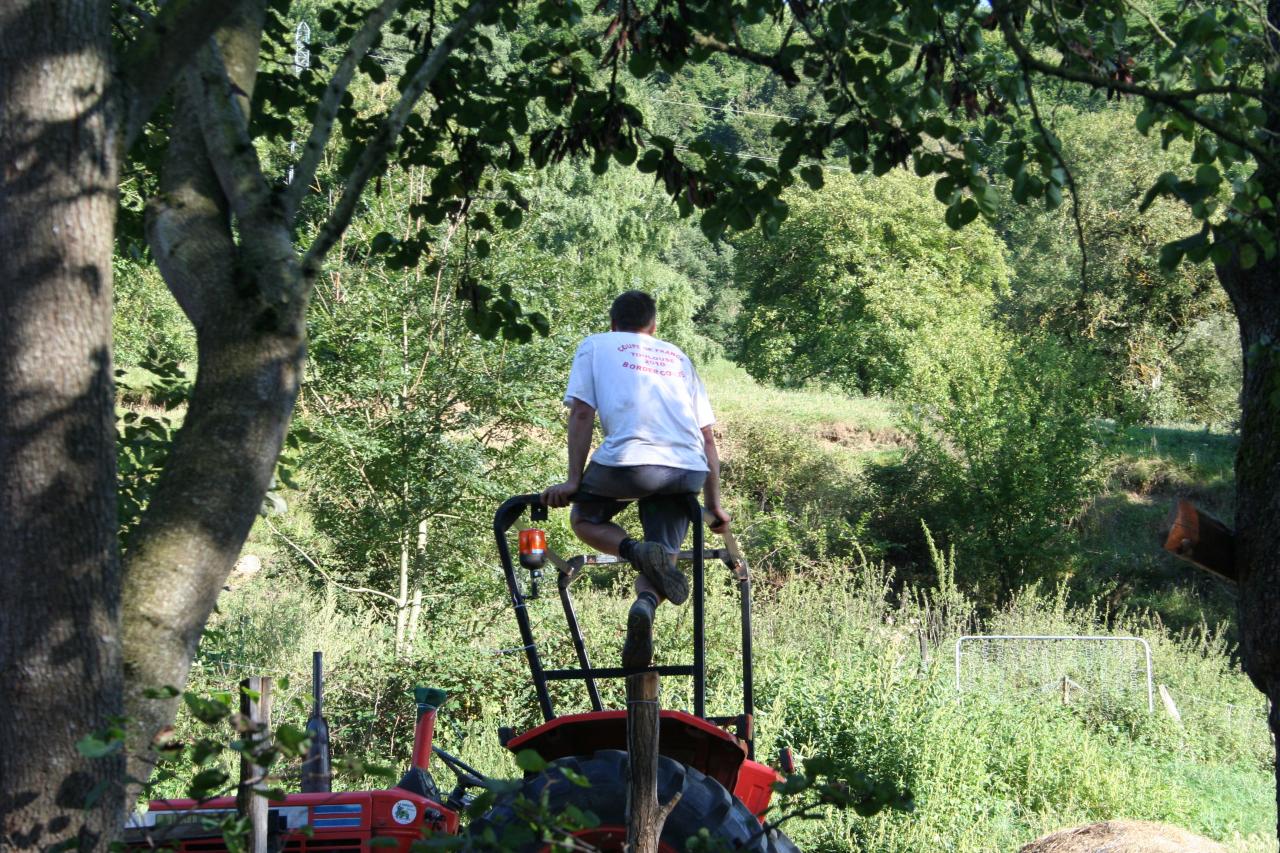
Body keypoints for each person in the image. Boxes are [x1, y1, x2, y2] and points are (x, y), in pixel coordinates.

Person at [542, 290, 730, 668]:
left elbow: (582, 414)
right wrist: (714, 506)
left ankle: (631, 550)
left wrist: (572, 481)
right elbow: (708, 437)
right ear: (654, 327)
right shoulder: (677, 355)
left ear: (613, 324)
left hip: (629, 463)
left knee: (584, 519)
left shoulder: (596, 345)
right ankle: (644, 605)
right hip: (686, 468)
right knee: (666, 553)